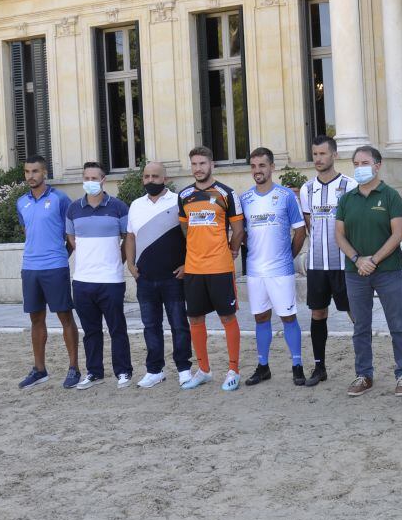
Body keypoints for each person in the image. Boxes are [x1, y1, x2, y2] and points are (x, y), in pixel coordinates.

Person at [334, 145, 402, 397]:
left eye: (364, 163)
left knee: (397, 323)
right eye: (355, 164)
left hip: (387, 270)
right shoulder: (347, 199)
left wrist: (373, 260)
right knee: (361, 327)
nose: (359, 168)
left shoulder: (390, 196)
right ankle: (364, 374)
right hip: (356, 273)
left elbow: (398, 233)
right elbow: (339, 235)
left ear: (377, 165)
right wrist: (357, 259)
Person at [178, 146, 246, 391]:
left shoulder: (226, 193)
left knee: (227, 317)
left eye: (202, 163)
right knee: (194, 318)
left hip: (220, 267)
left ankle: (233, 370)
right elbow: (185, 228)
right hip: (194, 268)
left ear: (212, 165)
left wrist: (233, 249)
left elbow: (238, 229)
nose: (198, 168)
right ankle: (204, 370)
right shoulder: (184, 195)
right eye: (194, 164)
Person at [240, 148, 308, 387]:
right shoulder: (245, 198)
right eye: (254, 166)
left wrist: (288, 257)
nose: (257, 170)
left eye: (262, 165)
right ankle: (263, 366)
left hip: (281, 270)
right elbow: (242, 233)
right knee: (260, 318)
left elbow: (300, 230)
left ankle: (297, 365)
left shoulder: (286, 196)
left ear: (272, 168)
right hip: (255, 271)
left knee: (288, 317)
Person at [65, 162, 133, 389]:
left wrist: (116, 261)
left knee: (117, 329)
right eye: (87, 177)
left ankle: (123, 371)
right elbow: (72, 241)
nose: (90, 182)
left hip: (111, 280)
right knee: (90, 331)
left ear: (104, 180)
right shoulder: (73, 209)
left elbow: (127, 239)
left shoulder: (119, 207)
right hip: (83, 281)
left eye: (95, 178)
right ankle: (94, 372)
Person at [15, 155, 81, 389]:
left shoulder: (60, 199)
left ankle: (74, 368)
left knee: (65, 317)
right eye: (27, 172)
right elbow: (28, 232)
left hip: (55, 267)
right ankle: (40, 369)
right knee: (36, 319)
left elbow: (71, 236)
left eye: (35, 171)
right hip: (30, 269)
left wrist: (61, 257)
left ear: (44, 173)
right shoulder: (21, 202)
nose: (30, 176)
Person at [125, 162, 192, 388]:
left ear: (165, 178)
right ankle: (155, 370)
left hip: (173, 277)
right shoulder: (135, 205)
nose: (150, 180)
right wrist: (131, 266)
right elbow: (131, 237)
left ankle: (184, 368)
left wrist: (187, 264)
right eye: (146, 176)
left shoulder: (178, 201)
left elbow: (191, 235)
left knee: (179, 325)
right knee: (150, 326)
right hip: (145, 278)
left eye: (155, 176)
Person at [299, 135, 355, 386]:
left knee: (355, 313)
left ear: (334, 155)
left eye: (323, 154)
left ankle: (364, 366)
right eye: (315, 154)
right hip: (317, 264)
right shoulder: (306, 188)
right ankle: (319, 367)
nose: (318, 159)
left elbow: (355, 223)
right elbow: (309, 223)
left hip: (345, 264)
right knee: (318, 312)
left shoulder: (350, 185)